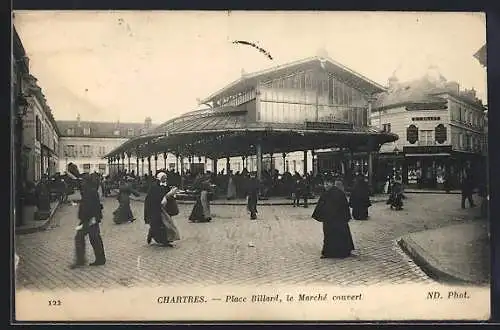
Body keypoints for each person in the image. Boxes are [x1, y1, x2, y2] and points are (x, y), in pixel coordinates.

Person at [312, 176, 354, 259]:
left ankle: (339, 252)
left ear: (332, 183)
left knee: (337, 235)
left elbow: (344, 206)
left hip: (336, 219)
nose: (326, 185)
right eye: (325, 184)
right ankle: (331, 252)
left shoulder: (338, 193)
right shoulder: (326, 193)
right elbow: (321, 205)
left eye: (328, 183)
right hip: (330, 219)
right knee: (330, 236)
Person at [70, 173, 106, 268]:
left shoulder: (90, 192)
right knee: (94, 238)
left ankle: (82, 260)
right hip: (90, 219)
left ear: (86, 182)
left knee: (82, 237)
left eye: (83, 181)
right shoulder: (89, 190)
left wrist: (88, 218)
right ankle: (100, 258)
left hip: (90, 219)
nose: (82, 183)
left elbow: (91, 207)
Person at [144, 172, 181, 247]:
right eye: (163, 178)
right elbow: (151, 198)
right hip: (157, 208)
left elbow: (168, 196)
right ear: (159, 178)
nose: (165, 179)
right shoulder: (154, 187)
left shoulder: (166, 186)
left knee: (165, 224)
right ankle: (162, 240)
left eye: (165, 178)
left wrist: (172, 194)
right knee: (162, 224)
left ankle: (165, 239)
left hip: (165, 208)